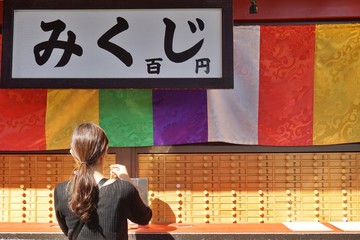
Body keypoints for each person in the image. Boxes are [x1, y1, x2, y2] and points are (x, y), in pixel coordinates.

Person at [54, 122, 152, 240]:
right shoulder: (123, 189)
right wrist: (128, 182)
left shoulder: (60, 190)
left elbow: (67, 230)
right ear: (105, 150)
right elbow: (144, 218)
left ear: (72, 153)